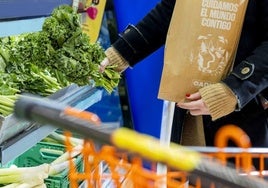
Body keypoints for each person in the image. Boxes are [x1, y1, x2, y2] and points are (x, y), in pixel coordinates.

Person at [100, 0, 268, 151]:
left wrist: (234, 90)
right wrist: (120, 53)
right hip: (189, 106)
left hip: (246, 111)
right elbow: (172, 11)